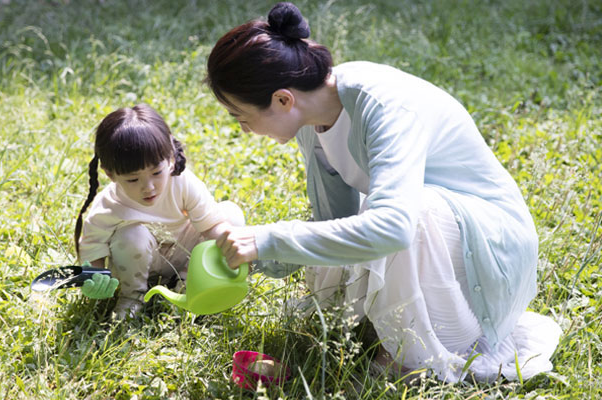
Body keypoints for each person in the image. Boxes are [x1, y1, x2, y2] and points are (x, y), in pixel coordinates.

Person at [205, 2, 561, 382]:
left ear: (282, 99)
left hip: (491, 247)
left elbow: (394, 228)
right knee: (366, 220)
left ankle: (420, 359)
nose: (244, 129)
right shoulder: (312, 121)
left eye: (242, 116)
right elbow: (333, 225)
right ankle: (390, 331)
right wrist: (250, 254)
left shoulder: (382, 105)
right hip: (435, 242)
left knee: (404, 213)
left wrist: (266, 239)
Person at [73, 104, 246, 320]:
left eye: (156, 172)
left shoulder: (182, 183)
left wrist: (237, 247)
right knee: (130, 236)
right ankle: (132, 297)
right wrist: (93, 278)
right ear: (111, 174)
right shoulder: (108, 206)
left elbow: (211, 226)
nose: (149, 187)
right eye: (133, 179)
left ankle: (188, 285)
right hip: (140, 262)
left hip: (184, 253)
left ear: (171, 158)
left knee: (231, 215)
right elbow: (92, 250)